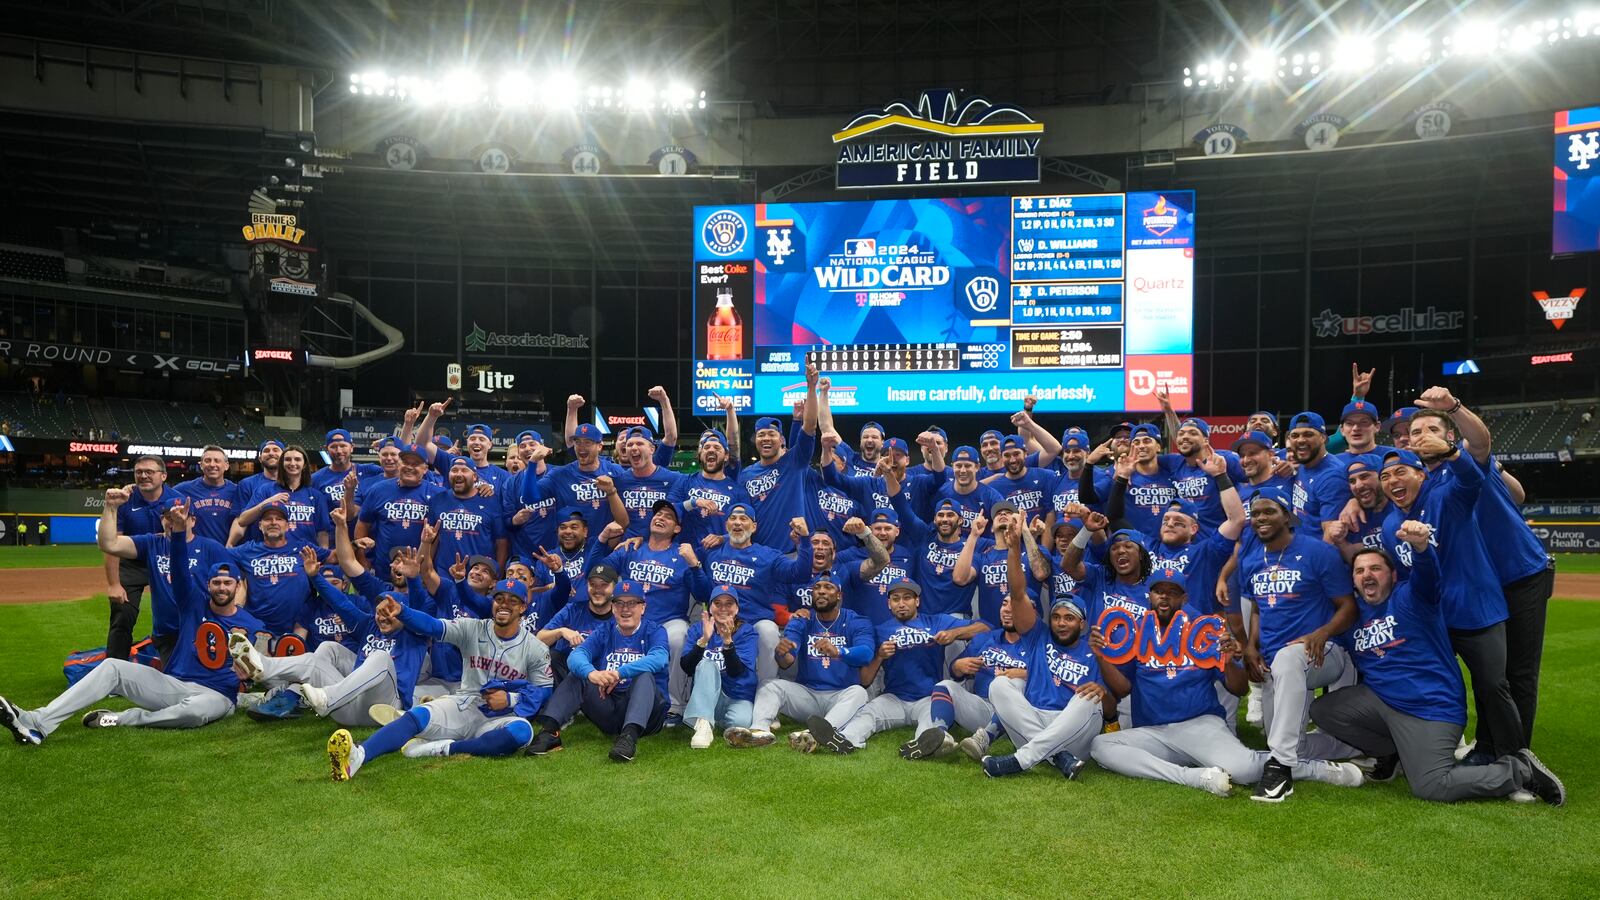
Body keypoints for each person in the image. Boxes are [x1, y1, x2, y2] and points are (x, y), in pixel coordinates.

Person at [1309, 521, 1564, 805]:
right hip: (1381, 703)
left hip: (1431, 709)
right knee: (1324, 710)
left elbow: (1428, 573)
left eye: (1375, 569)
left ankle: (1518, 770)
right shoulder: (1353, 618)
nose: (1367, 575)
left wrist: (1421, 547)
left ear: (1393, 575)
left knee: (1431, 786)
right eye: (1359, 571)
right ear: (1353, 581)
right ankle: (1395, 753)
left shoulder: (1413, 596)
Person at [0, 504, 264, 743]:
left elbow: (262, 666)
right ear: (207, 585)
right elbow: (179, 570)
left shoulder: (250, 623)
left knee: (194, 713)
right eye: (215, 582)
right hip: (176, 685)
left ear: (237, 585)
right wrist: (180, 533)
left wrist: (251, 675)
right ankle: (36, 722)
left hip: (217, 696)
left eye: (227, 582)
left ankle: (124, 718)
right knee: (113, 667)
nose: (221, 587)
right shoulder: (192, 604)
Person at [1409, 387, 1555, 754]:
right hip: (1483, 585)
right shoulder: (1425, 485)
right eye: (1415, 432)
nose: (1423, 436)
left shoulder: (1469, 461)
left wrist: (1453, 406)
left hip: (1518, 573)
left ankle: (1517, 759)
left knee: (1518, 674)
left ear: (1450, 436)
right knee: (1494, 676)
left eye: (1432, 428)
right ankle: (1490, 745)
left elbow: (1481, 439)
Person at [1377, 441, 1520, 763]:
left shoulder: (1445, 496)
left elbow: (1471, 479)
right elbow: (1406, 577)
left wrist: (1453, 452)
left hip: (1475, 610)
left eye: (1401, 472)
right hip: (1434, 620)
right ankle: (1434, 747)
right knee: (1430, 682)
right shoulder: (1390, 525)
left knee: (1492, 687)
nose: (1393, 481)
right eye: (1385, 476)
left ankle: (1515, 760)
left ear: (1422, 475)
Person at [325, 578, 552, 780]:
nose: (504, 604)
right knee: (418, 715)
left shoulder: (535, 648)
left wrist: (511, 699)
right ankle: (358, 755)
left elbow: (544, 690)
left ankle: (442, 748)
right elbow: (433, 626)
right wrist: (403, 611)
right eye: (499, 598)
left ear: (523, 607)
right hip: (466, 704)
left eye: (512, 601)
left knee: (523, 733)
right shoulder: (472, 628)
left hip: (503, 718)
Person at [1235, 487, 1364, 802]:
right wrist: (1250, 646)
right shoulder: (1252, 559)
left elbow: (1348, 606)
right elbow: (1257, 610)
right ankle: (1355, 748)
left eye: (1269, 511)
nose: (1261, 518)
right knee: (1285, 736)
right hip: (1276, 661)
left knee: (1289, 659)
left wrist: (1321, 633)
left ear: (1287, 516)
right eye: (1256, 514)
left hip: (1324, 654)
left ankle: (1279, 770)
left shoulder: (1318, 552)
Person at [233, 545, 428, 726]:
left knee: (380, 657)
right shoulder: (369, 624)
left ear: (404, 615)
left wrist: (413, 579)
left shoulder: (415, 632)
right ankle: (262, 666)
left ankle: (324, 696)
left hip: (385, 708)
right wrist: (315, 577)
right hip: (347, 707)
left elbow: (421, 610)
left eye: (389, 612)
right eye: (379, 611)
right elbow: (340, 603)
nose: (382, 617)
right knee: (323, 651)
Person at [811, 580, 987, 754]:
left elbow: (985, 627)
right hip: (894, 698)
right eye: (896, 599)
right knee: (867, 714)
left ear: (917, 601)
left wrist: (953, 633)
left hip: (928, 698)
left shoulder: (936, 622)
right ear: (889, 604)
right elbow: (865, 680)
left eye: (907, 598)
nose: (901, 604)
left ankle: (921, 745)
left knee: (932, 727)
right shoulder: (879, 630)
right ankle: (846, 740)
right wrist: (879, 656)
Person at [525, 580, 670, 762]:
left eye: (632, 603)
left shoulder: (655, 630)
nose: (625, 609)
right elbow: (576, 657)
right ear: (613, 607)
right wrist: (593, 674)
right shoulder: (605, 630)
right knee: (579, 674)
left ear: (643, 607)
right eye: (619, 603)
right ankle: (550, 732)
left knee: (644, 675)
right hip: (609, 707)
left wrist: (619, 673)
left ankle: (629, 738)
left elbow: (659, 658)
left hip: (648, 715)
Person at [725, 574, 873, 751]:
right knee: (770, 686)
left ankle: (816, 734)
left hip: (840, 695)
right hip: (808, 694)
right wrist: (782, 653)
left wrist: (838, 651)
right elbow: (787, 661)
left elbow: (866, 654)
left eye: (828, 587)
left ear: (839, 595)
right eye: (817, 588)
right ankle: (759, 732)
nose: (821, 592)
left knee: (859, 693)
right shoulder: (803, 619)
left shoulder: (856, 621)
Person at [599, 499, 709, 718]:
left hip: (668, 620)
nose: (660, 518)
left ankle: (675, 706)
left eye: (668, 516)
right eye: (658, 514)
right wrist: (603, 540)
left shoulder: (681, 554)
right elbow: (597, 570)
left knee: (678, 637)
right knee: (606, 630)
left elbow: (703, 594)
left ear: (677, 528)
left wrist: (694, 565)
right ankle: (610, 693)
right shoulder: (632, 548)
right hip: (631, 619)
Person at [97, 486, 231, 662]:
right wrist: (111, 507)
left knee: (206, 683)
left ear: (193, 521)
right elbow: (109, 544)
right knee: (176, 684)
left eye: (182, 514)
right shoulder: (152, 543)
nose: (175, 519)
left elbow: (233, 583)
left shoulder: (211, 548)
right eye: (169, 516)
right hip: (167, 632)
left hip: (203, 628)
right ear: (161, 520)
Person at [700, 502, 812, 681]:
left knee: (768, 630)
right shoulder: (711, 550)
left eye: (744, 519)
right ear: (726, 525)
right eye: (733, 519)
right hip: (718, 620)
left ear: (754, 527)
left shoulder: (768, 555)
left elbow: (801, 574)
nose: (737, 523)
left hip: (753, 622)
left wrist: (805, 540)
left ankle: (765, 691)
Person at [738, 364, 819, 550]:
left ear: (781, 440)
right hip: (758, 554)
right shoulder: (746, 474)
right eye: (761, 435)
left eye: (771, 434)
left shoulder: (794, 462)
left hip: (793, 553)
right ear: (756, 441)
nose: (766, 438)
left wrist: (811, 387)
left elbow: (810, 427)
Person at [104, 454, 175, 660]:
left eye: (149, 472)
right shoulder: (124, 500)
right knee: (122, 614)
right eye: (138, 472)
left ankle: (176, 665)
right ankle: (115, 670)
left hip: (166, 563)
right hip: (133, 564)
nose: (143, 476)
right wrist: (114, 584)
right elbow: (112, 546)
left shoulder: (174, 498)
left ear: (163, 476)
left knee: (173, 615)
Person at [681, 587, 759, 748]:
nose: (723, 608)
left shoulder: (747, 631)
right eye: (717, 603)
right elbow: (687, 668)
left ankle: (708, 719)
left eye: (729, 604)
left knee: (740, 723)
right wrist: (704, 640)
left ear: (736, 608)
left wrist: (727, 642)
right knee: (707, 665)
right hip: (707, 697)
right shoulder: (698, 629)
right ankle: (704, 725)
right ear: (710, 607)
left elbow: (736, 671)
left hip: (736, 695)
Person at [228, 501, 320, 637]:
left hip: (299, 629)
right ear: (260, 525)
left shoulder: (303, 547)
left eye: (279, 519)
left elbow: (334, 557)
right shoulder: (247, 550)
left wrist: (353, 544)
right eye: (268, 519)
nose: (273, 522)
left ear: (287, 526)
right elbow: (215, 554)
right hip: (259, 630)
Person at [354, 443, 441, 580]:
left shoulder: (438, 494)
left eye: (416, 464)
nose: (410, 467)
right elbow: (363, 523)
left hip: (422, 572)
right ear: (399, 464)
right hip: (384, 570)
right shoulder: (378, 490)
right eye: (406, 462)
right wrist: (362, 558)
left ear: (425, 469)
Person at [232, 445, 330, 548]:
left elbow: (322, 532)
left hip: (305, 556)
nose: (292, 463)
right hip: (272, 554)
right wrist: (268, 501)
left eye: (297, 459)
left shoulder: (316, 495)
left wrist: (323, 557)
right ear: (281, 464)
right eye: (287, 459)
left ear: (304, 464)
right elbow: (242, 520)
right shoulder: (266, 490)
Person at [537, 563, 618, 679]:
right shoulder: (572, 610)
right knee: (552, 656)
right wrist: (561, 631)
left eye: (603, 585)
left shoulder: (620, 616)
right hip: (569, 674)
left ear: (614, 587)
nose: (597, 590)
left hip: (603, 675)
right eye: (592, 585)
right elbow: (539, 639)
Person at [1284, 412, 1350, 535]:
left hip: (1316, 551)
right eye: (1295, 435)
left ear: (1323, 438)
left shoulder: (1332, 476)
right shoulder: (1305, 462)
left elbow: (1331, 535)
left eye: (1308, 434)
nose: (1301, 440)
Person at [172, 445, 241, 546]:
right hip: (195, 552)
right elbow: (162, 504)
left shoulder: (237, 490)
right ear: (201, 465)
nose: (212, 464)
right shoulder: (183, 489)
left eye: (217, 461)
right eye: (207, 460)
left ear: (226, 466)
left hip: (228, 551)